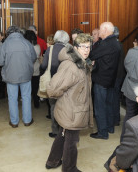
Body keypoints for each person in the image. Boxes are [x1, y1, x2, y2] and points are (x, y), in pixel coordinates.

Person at [45, 33, 93, 172]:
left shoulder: (80, 63)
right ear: (76, 48)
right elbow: (53, 89)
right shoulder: (71, 66)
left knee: (62, 135)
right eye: (83, 47)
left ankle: (52, 161)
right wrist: (67, 98)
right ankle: (69, 168)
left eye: (89, 47)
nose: (86, 50)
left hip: (73, 109)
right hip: (72, 110)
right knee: (71, 141)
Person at [0, 26, 36, 128]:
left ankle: (14, 122)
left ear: (8, 34)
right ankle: (27, 120)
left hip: (10, 76)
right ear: (20, 33)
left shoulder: (5, 45)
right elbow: (34, 58)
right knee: (26, 97)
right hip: (26, 75)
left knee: (12, 98)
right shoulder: (27, 43)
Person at [89, 22, 121, 140]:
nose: (100, 32)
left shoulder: (105, 43)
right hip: (111, 79)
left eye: (101, 30)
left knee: (100, 107)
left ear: (106, 30)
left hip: (102, 79)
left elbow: (92, 55)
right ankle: (109, 128)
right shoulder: (116, 43)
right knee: (108, 105)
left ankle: (102, 132)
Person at [40, 30, 70, 138]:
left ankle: (55, 131)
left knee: (53, 106)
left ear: (56, 38)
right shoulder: (70, 49)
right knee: (66, 107)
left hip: (53, 82)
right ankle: (67, 130)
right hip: (67, 83)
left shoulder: (50, 49)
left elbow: (43, 66)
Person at [24, 30, 41, 108]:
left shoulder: (26, 47)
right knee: (35, 87)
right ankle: (36, 103)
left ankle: (27, 104)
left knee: (27, 89)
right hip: (36, 69)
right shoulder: (37, 46)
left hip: (27, 70)